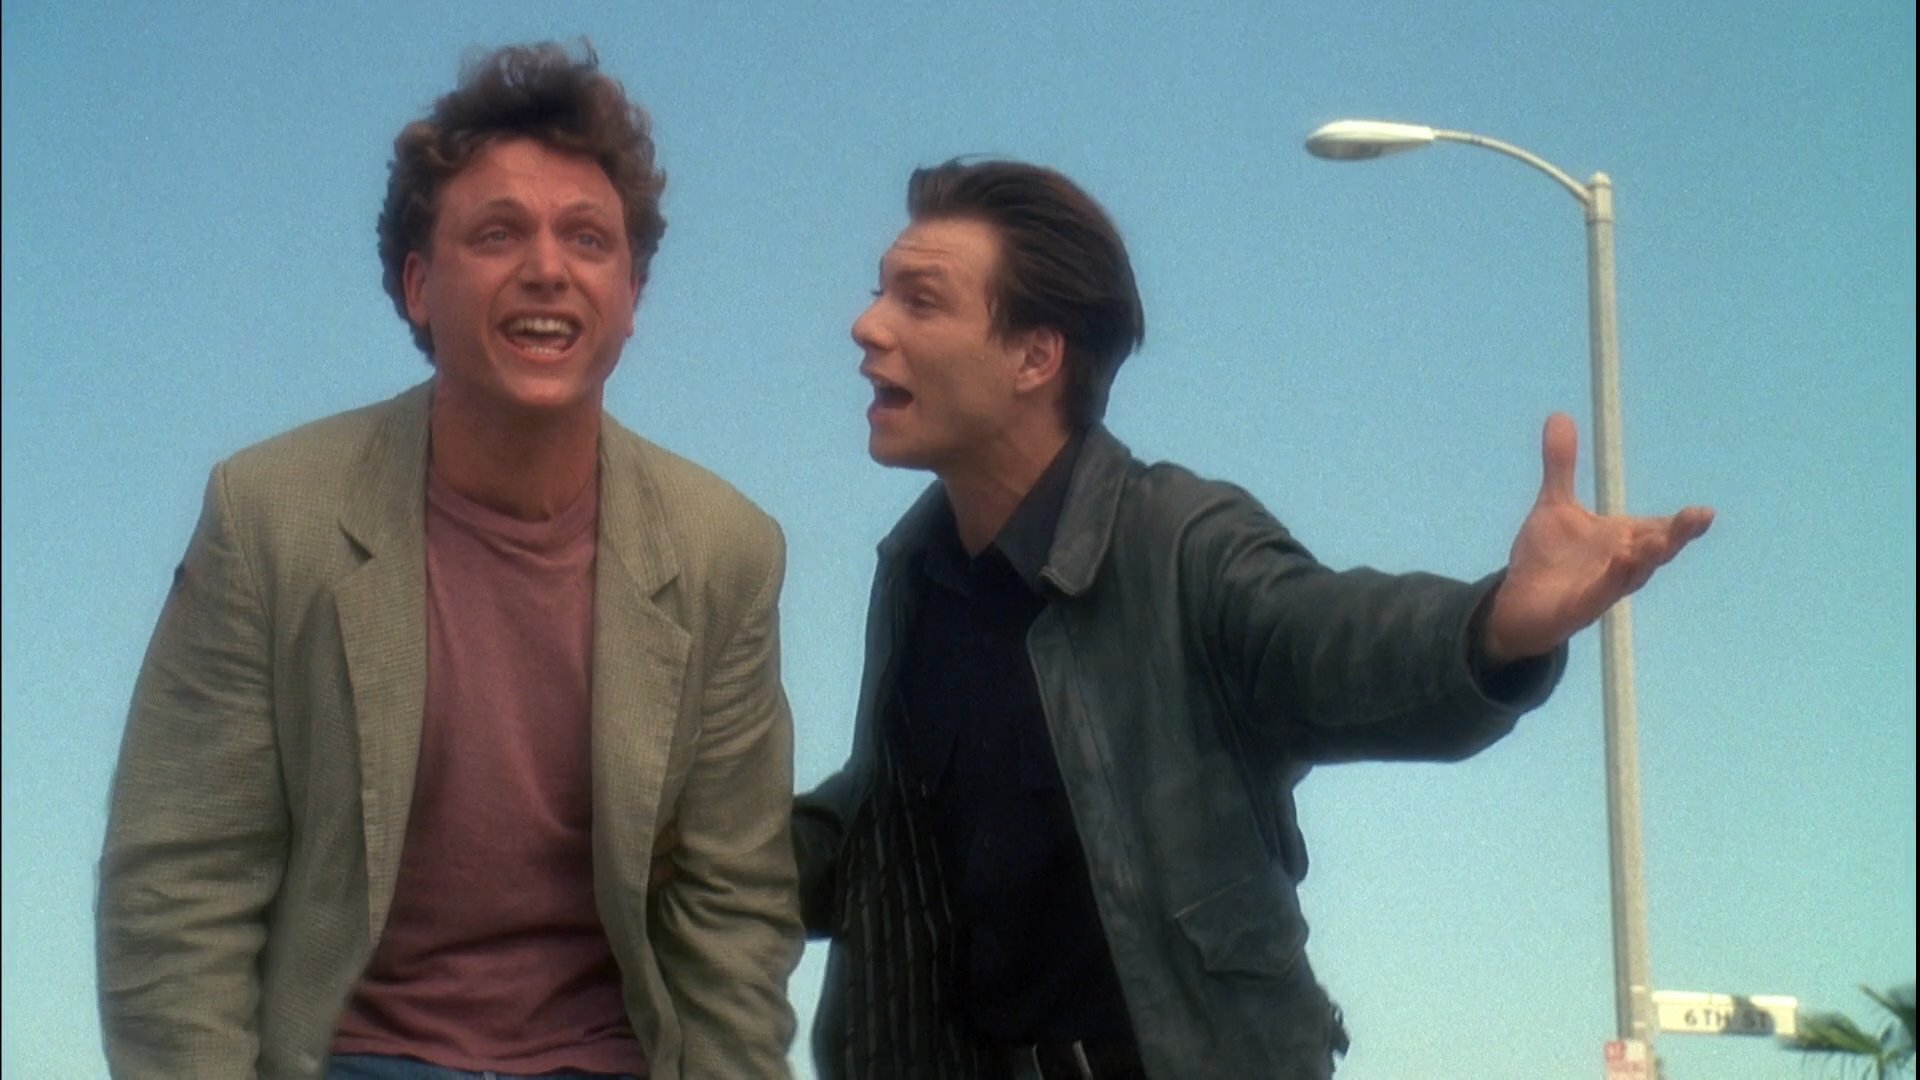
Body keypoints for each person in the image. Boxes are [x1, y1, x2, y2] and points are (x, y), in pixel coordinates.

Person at [792, 159, 1713, 1080]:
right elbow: (883, 825)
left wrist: (1494, 626)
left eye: (920, 301)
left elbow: (1324, 636)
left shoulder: (1180, 541)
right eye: (881, 294)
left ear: (1036, 356)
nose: (868, 326)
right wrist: (715, 836)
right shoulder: (919, 578)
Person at [96, 42, 802, 1080]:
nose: (548, 268)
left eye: (588, 238)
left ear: (633, 295)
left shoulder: (724, 552)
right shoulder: (270, 516)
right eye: (498, 232)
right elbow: (177, 889)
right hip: (351, 1056)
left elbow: (735, 915)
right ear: (419, 284)